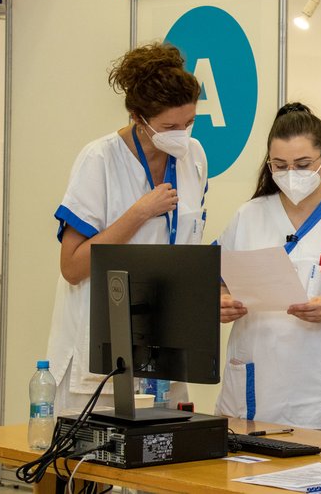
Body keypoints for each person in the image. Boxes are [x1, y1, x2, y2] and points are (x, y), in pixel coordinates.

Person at [47, 42, 205, 414]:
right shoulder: (99, 159)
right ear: (138, 116)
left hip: (163, 342)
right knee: (92, 461)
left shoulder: (194, 157)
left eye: (188, 123)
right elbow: (71, 267)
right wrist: (138, 214)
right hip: (99, 345)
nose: (181, 135)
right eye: (169, 127)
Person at [216, 103, 321, 433]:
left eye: (302, 164)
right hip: (254, 390)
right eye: (279, 165)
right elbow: (214, 281)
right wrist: (220, 303)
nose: (290, 174)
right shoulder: (247, 216)